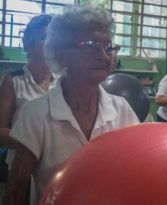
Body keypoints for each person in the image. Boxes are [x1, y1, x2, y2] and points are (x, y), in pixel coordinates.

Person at [3, 5, 140, 205]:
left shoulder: (121, 110)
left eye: (108, 46)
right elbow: (14, 193)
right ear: (61, 55)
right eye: (92, 45)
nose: (103, 56)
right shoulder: (36, 114)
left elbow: (138, 170)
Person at [0, 14, 58, 148]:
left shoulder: (63, 81)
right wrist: (37, 140)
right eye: (44, 37)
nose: (51, 43)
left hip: (58, 165)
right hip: (22, 164)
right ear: (28, 44)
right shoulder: (13, 81)